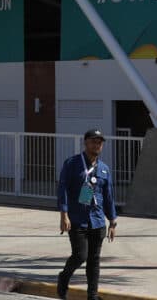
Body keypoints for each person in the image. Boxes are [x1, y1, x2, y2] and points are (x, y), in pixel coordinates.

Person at [57, 128, 117, 300]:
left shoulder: (104, 169)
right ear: (85, 143)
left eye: (99, 142)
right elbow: (63, 189)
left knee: (94, 260)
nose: (96, 144)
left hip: (97, 222)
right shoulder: (72, 164)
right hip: (77, 219)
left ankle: (93, 295)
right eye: (93, 141)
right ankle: (64, 277)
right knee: (80, 256)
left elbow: (108, 197)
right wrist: (64, 214)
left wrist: (112, 222)